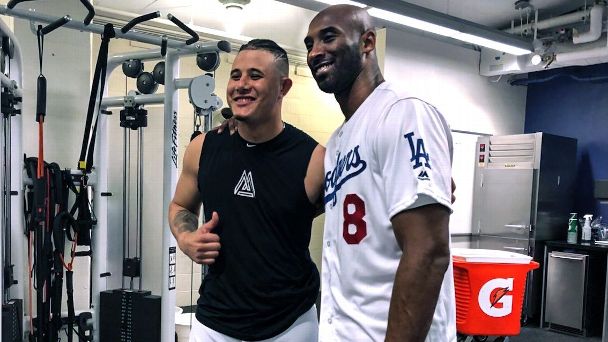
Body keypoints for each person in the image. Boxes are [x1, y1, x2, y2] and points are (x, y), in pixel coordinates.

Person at [304, 4, 457, 342]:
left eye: (328, 38)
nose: (316, 52)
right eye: (309, 44)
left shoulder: (404, 113)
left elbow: (429, 251)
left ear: (367, 42)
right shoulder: (340, 139)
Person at [168, 39, 325, 342]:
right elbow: (180, 207)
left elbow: (365, 196)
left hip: (290, 323)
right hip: (215, 320)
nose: (241, 85)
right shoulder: (203, 148)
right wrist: (186, 238)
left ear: (283, 87)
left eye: (255, 75)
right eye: (236, 75)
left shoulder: (314, 159)